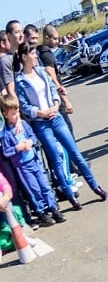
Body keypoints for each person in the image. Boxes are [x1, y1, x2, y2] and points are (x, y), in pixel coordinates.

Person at [14, 43, 107, 208]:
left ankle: (95, 186)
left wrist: (56, 105)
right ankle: (70, 194)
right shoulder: (20, 80)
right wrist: (40, 112)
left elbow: (52, 89)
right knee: (56, 158)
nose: (35, 57)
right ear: (23, 57)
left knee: (74, 153)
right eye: (32, 54)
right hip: (41, 122)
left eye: (36, 54)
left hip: (55, 117)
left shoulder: (41, 72)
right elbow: (24, 106)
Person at [1, 94, 66, 225]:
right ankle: (41, 212)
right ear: (5, 114)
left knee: (44, 185)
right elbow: (6, 151)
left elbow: (33, 136)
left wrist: (30, 141)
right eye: (13, 113)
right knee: (33, 189)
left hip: (34, 161)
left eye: (17, 111)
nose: (16, 115)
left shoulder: (23, 124)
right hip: (22, 166)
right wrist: (17, 148)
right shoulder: (6, 133)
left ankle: (53, 208)